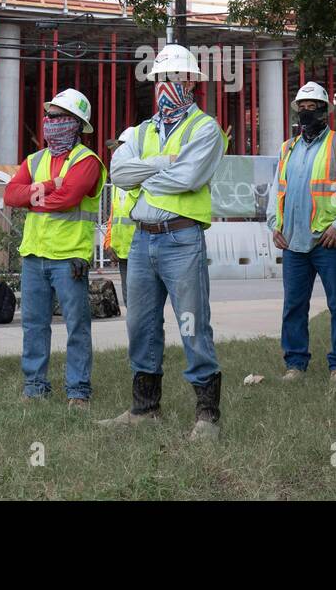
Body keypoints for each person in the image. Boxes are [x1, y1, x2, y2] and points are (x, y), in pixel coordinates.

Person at [99, 44, 227, 441]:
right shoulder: (141, 131)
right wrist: (162, 165)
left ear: (190, 82)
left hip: (181, 237)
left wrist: (145, 173)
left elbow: (188, 179)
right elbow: (118, 172)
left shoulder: (205, 129)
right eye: (159, 79)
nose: (165, 85)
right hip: (142, 241)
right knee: (141, 324)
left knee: (192, 324)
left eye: (173, 78)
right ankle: (144, 408)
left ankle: (207, 416)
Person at [3, 89, 105, 407]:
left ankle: (78, 392)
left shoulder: (87, 161)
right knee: (33, 325)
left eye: (59, 117)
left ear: (75, 124)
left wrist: (32, 197)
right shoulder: (35, 159)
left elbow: (68, 199)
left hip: (69, 257)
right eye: (49, 116)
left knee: (76, 326)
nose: (51, 122)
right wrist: (49, 187)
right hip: (34, 255)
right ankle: (34, 387)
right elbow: (10, 196)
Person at [266, 81, 336, 382]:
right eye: (302, 108)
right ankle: (295, 364)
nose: (306, 113)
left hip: (329, 240)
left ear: (325, 112)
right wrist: (274, 224)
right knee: (294, 305)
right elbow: (276, 190)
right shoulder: (288, 147)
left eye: (313, 108)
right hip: (293, 242)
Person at [104, 128, 138, 306]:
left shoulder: (142, 179)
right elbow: (114, 216)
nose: (115, 153)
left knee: (142, 303)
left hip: (141, 252)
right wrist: (109, 242)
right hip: (123, 252)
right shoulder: (118, 182)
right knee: (130, 302)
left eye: (120, 149)